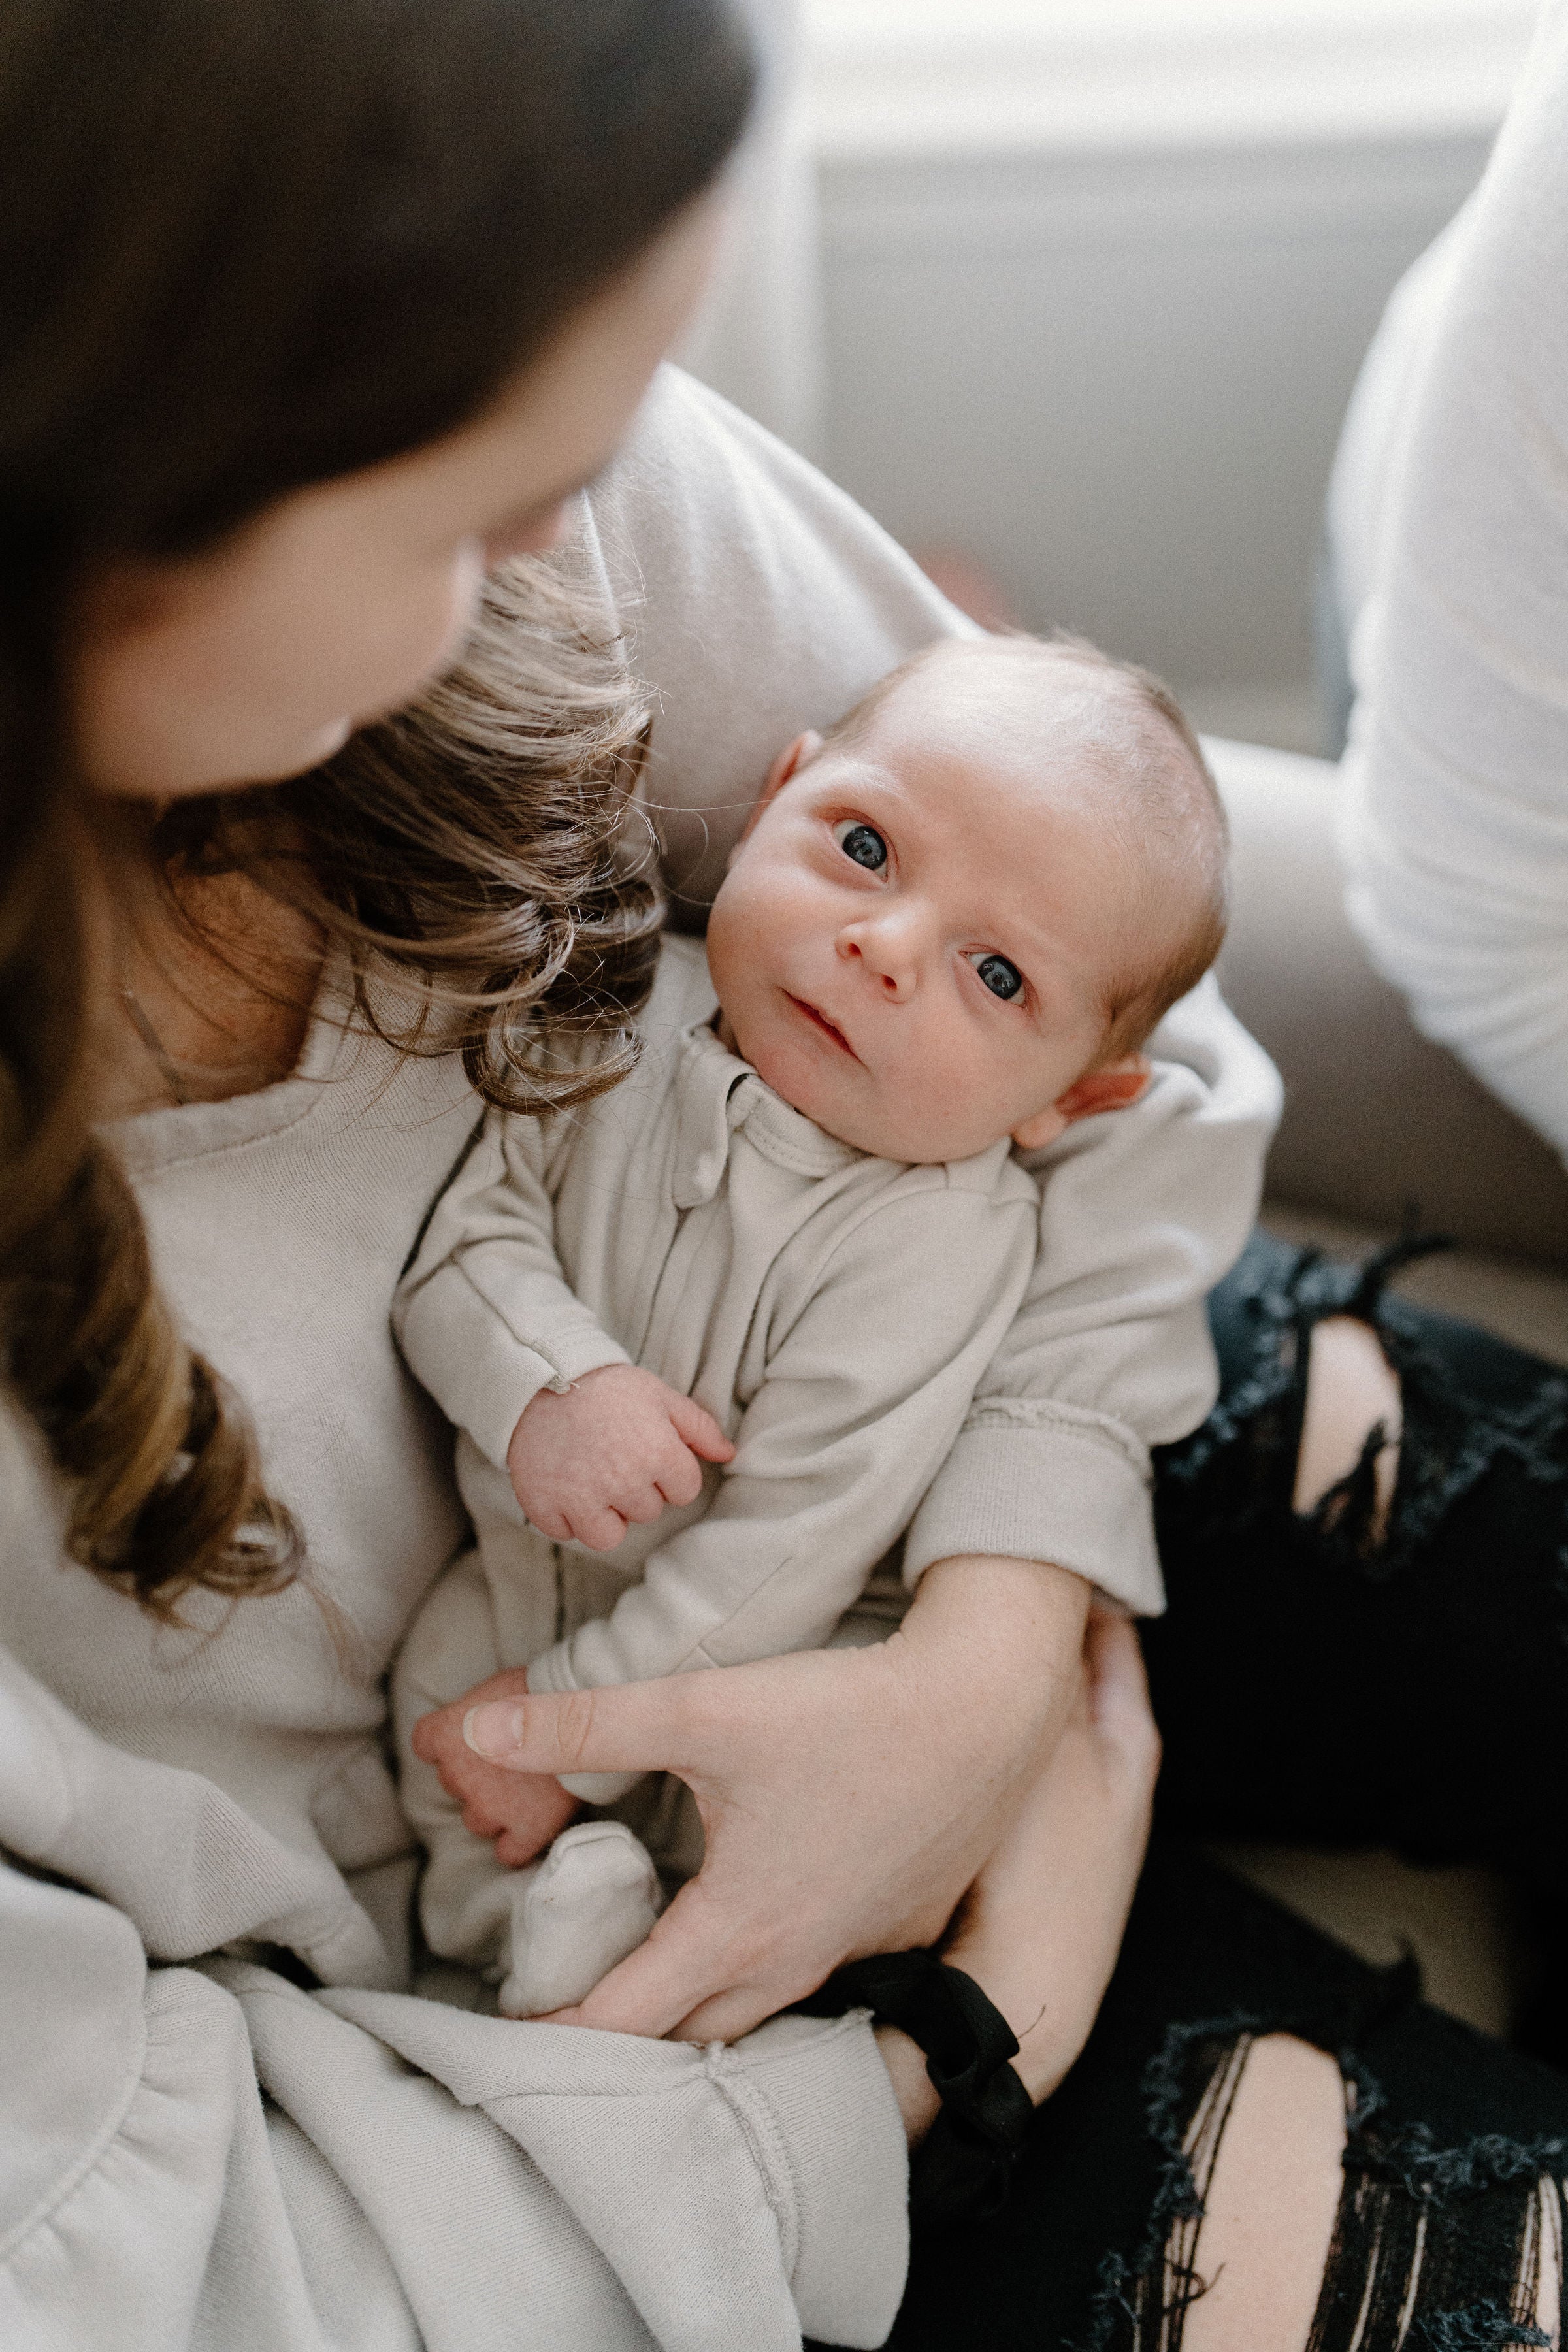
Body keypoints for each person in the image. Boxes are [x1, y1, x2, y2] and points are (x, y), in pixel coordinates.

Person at [5, 2, 1568, 2347]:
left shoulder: (547, 511)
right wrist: (975, 2040)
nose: (580, 517)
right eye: (466, 491)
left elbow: (1130, 944)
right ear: (127, 448)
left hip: (994, 1423)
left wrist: (999, 1622)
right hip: (591, 2027)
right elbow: (190, 2268)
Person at [391, 632, 1225, 2017]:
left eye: (998, 977)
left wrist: (572, 1720)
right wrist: (552, 1384)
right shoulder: (607, 1015)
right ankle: (502, 1933)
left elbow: (786, 1550)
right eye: (865, 848)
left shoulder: (934, 1242)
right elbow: (462, 1243)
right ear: (780, 792)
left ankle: (625, 1954)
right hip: (514, 1568)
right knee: (438, 1700)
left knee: (742, 1807)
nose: (883, 948)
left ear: (1068, 1102)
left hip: (773, 1657)